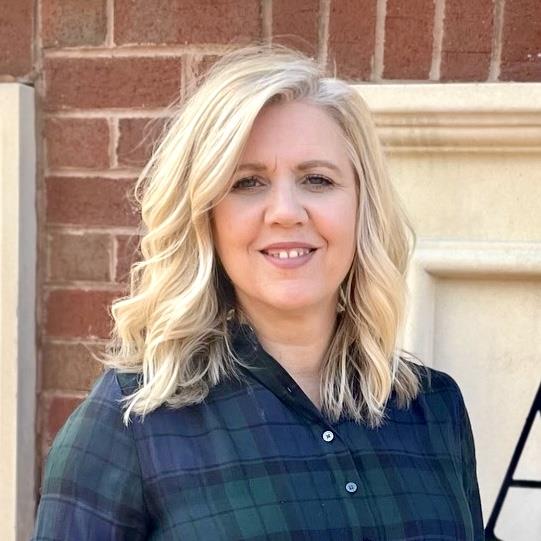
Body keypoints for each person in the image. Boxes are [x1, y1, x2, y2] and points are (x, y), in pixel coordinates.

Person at [32, 44, 484, 540]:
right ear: (205, 214)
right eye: (248, 183)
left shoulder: (433, 408)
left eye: (317, 179)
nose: (286, 211)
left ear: (362, 206)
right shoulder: (130, 425)